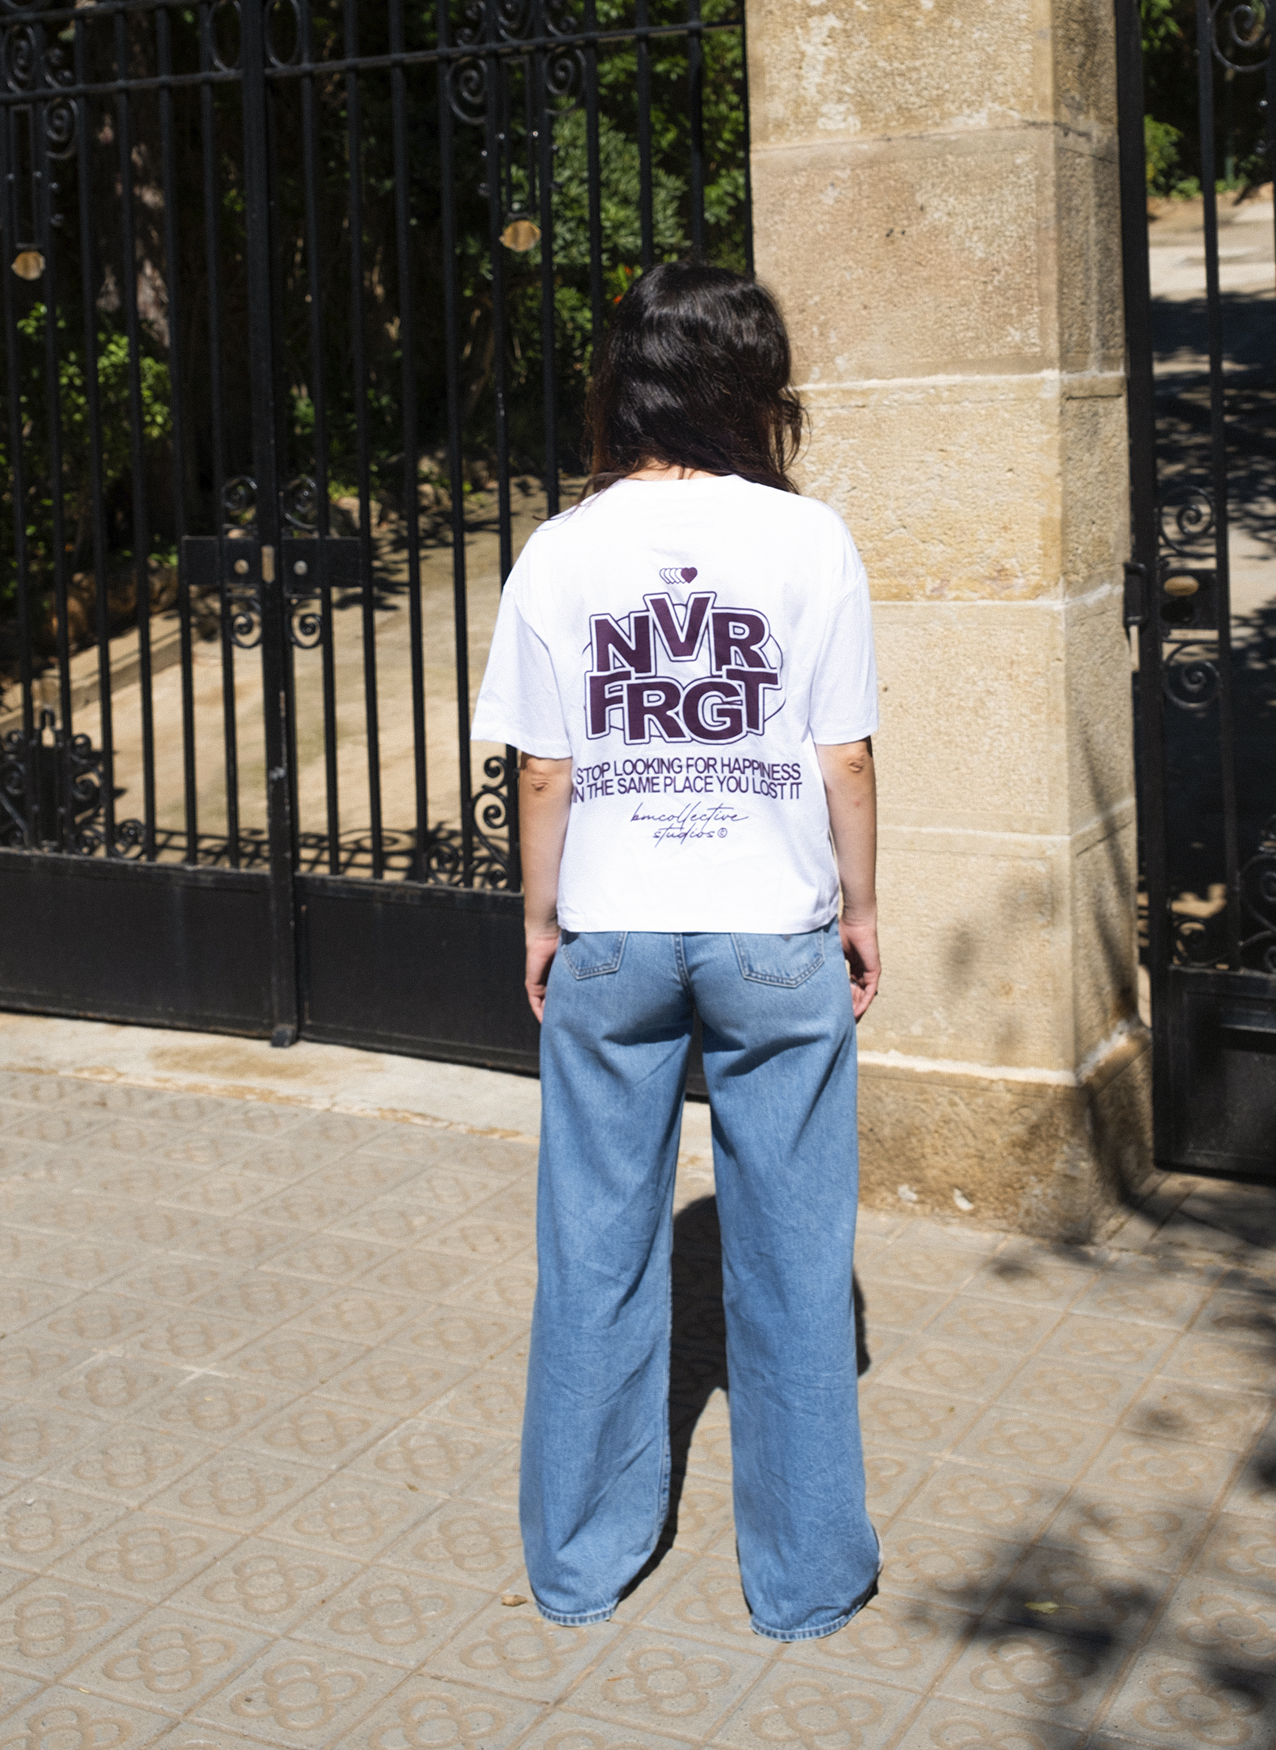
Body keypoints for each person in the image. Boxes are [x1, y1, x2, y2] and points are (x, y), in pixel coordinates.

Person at [470, 259, 881, 1642]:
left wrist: (541, 919)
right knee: (796, 1258)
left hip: (617, 928)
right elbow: (844, 756)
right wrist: (861, 907)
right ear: (751, 391)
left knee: (593, 1247)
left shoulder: (559, 548)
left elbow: (544, 770)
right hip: (774, 928)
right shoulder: (810, 540)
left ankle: (580, 1561)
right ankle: (809, 1576)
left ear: (625, 382)